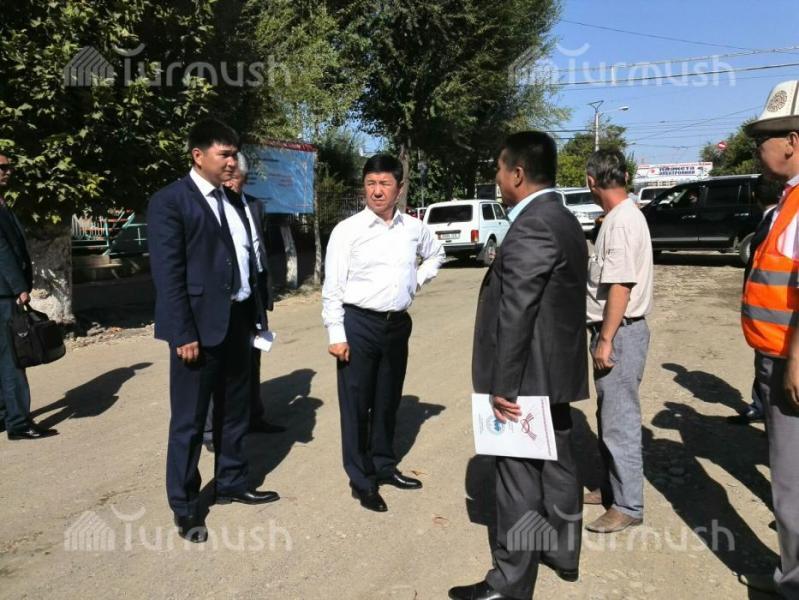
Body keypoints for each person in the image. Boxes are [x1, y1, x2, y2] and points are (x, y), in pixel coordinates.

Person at [449, 131, 588, 600]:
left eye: (499, 168)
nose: (497, 177)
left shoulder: (533, 224)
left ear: (518, 174)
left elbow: (517, 308)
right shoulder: (562, 216)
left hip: (526, 374)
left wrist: (503, 384)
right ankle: (562, 554)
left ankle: (509, 581)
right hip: (555, 369)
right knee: (558, 465)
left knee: (516, 478)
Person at [147, 119, 278, 544]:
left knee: (234, 411)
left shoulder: (234, 201)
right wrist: (182, 333)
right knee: (189, 421)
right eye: (224, 154)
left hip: (238, 322)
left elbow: (248, 260)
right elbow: (169, 276)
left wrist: (256, 316)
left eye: (234, 154)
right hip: (197, 331)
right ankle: (185, 504)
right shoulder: (171, 202)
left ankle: (232, 481)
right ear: (198, 155)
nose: (232, 162)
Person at [321, 153, 445, 512]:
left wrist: (415, 281)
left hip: (396, 325)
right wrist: (336, 333)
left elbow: (437, 254)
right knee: (357, 406)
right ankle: (362, 480)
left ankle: (384, 465)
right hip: (358, 325)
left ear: (399, 188)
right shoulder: (348, 231)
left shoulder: (414, 229)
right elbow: (333, 287)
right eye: (371, 184)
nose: (377, 191)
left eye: (384, 184)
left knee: (388, 400)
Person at [739, 79, 799, 597]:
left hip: (789, 360)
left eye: (765, 139)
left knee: (791, 480)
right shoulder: (788, 200)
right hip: (778, 353)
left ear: (793, 142)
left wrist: (796, 358)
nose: (758, 150)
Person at [583, 149, 654, 534]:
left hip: (620, 332)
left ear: (591, 182)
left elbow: (621, 287)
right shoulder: (619, 217)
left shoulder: (623, 222)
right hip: (617, 330)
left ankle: (628, 505)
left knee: (619, 420)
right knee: (608, 415)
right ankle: (611, 488)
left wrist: (606, 339)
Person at [203, 153, 283, 453]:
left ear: (245, 179)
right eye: (227, 177)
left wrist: (265, 292)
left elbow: (260, 251)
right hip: (224, 297)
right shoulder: (212, 208)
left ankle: (253, 416)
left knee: (253, 357)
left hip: (254, 295)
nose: (231, 183)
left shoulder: (255, 206)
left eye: (236, 178)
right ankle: (210, 430)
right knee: (217, 367)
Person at [0, 152, 57, 440]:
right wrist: (19, 287)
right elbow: (1, 250)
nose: (7, 171)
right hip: (4, 293)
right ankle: (19, 424)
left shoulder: (3, 202)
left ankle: (4, 415)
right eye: (1, 167)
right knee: (14, 357)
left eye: (8, 167)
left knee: (3, 356)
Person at [728, 176, 781, 425]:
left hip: (773, 313)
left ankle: (764, 408)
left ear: (754, 196)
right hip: (771, 314)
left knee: (770, 366)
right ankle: (760, 404)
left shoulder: (776, 222)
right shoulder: (775, 219)